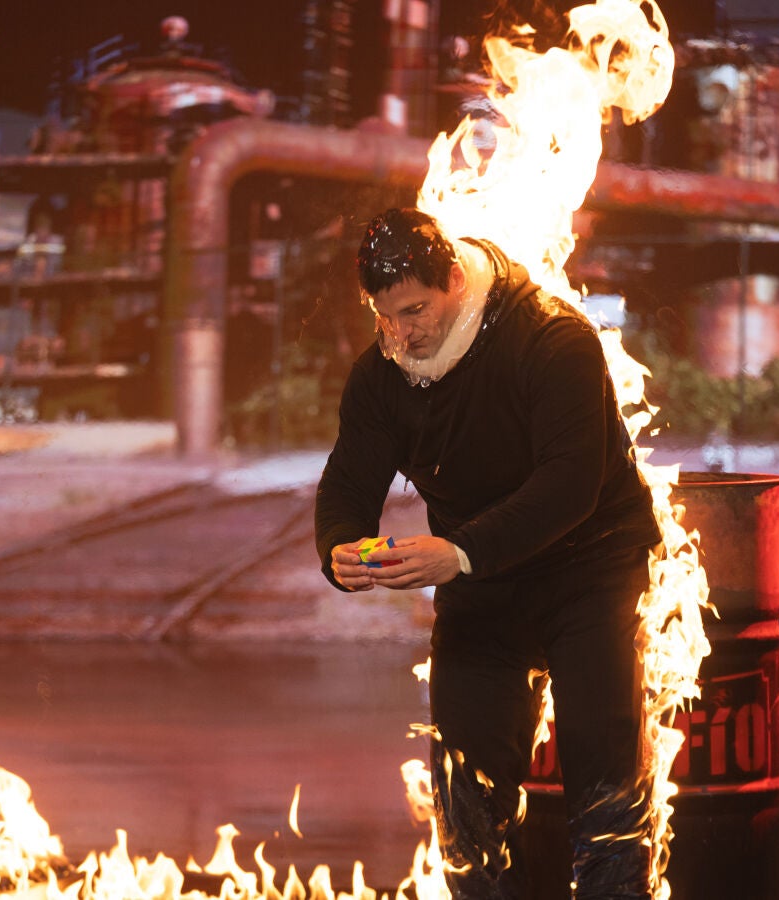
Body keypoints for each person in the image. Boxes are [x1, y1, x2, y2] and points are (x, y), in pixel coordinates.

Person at [314, 208, 662, 900]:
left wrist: (460, 551)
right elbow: (349, 479)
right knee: (466, 799)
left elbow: (569, 484)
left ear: (453, 279)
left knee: (606, 796)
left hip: (590, 569)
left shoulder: (552, 339)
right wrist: (341, 548)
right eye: (385, 317)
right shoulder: (383, 373)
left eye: (415, 311)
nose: (401, 333)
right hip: (481, 587)